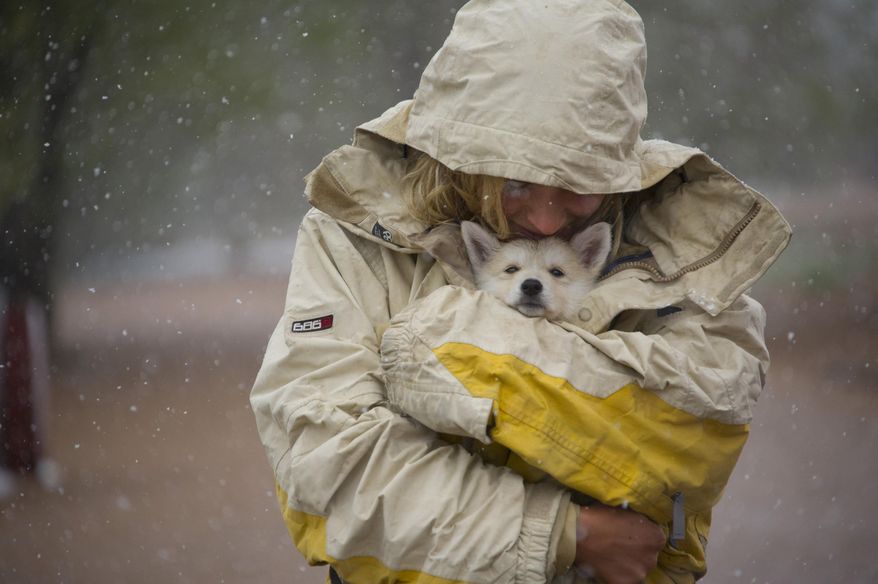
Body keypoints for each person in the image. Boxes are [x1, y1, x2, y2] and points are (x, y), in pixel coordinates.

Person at [250, 1, 791, 583]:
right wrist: (567, 533)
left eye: (578, 185)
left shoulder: (688, 247)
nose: (548, 219)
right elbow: (327, 470)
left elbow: (695, 443)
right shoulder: (354, 232)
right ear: (462, 158)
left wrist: (458, 363)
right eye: (514, 183)